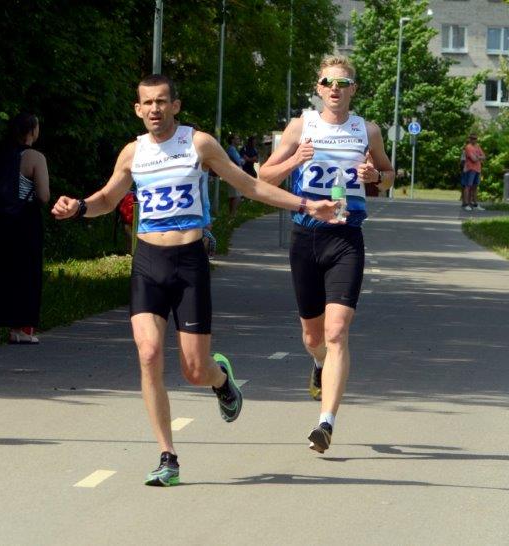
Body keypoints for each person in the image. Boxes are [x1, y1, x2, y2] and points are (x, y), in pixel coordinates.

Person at [51, 74, 340, 485]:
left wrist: (307, 205)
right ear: (138, 109)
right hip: (148, 262)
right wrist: (79, 207)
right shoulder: (133, 153)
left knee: (194, 370)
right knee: (149, 354)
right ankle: (167, 456)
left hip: (189, 263)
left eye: (162, 101)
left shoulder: (198, 144)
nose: (155, 109)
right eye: (148, 102)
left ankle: (220, 380)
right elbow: (107, 199)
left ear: (175, 106)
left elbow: (249, 185)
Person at [259, 55, 394, 454]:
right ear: (318, 89)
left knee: (337, 332)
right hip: (306, 238)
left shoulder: (368, 130)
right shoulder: (301, 126)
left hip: (346, 238)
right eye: (328, 82)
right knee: (313, 336)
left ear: (353, 89)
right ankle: (318, 364)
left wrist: (376, 177)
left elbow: (388, 177)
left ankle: (325, 422)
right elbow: (264, 177)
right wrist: (294, 159)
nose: (335, 89)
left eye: (343, 83)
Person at [0, 113, 50, 344]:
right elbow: (43, 195)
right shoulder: (34, 157)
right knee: (28, 273)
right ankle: (21, 328)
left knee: (4, 270)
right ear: (32, 131)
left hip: (3, 219)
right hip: (26, 218)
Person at [462, 134, 486, 211]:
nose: (474, 140)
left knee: (475, 187)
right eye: (472, 138)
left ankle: (475, 204)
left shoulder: (477, 146)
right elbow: (473, 159)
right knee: (468, 186)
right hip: (470, 169)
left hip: (478, 169)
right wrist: (479, 157)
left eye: (475, 138)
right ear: (469, 139)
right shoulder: (468, 147)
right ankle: (466, 204)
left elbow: (484, 156)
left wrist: (478, 157)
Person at [224, 134, 243, 214]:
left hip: (233, 172)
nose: (239, 140)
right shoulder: (231, 149)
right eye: (237, 138)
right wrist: (243, 160)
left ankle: (231, 214)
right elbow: (239, 161)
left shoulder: (233, 149)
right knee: (237, 195)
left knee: (233, 195)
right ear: (232, 140)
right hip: (235, 173)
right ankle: (233, 214)